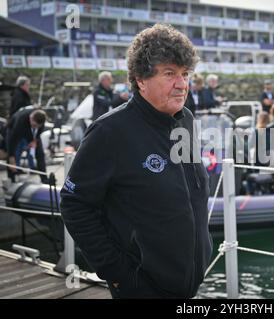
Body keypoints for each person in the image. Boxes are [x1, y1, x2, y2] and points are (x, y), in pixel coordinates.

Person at [60, 24, 212, 299]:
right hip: (142, 288)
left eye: (185, 74)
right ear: (141, 80)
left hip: (188, 284)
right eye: (169, 74)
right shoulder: (109, 132)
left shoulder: (186, 120)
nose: (182, 84)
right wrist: (119, 274)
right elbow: (75, 204)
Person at [7, 108, 47, 183]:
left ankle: (44, 178)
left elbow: (39, 130)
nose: (36, 127)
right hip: (12, 129)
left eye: (38, 126)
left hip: (31, 133)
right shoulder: (20, 121)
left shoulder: (41, 118)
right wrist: (11, 157)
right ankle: (11, 178)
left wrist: (34, 141)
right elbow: (12, 141)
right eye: (34, 125)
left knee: (40, 153)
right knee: (12, 154)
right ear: (31, 118)